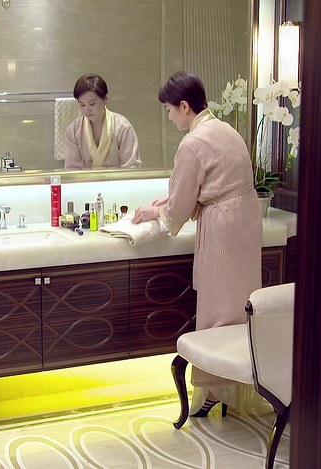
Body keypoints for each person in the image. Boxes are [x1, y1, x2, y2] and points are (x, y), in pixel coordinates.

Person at [131, 71, 264, 417]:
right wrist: (169, 201)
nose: (169, 117)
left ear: (184, 106)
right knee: (240, 305)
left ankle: (213, 389)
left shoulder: (193, 142)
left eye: (168, 110)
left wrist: (157, 212)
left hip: (223, 227)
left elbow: (180, 207)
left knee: (217, 308)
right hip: (246, 222)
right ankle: (234, 386)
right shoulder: (224, 130)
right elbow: (211, 183)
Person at [63, 74, 141, 170]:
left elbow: (131, 167)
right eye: (82, 105)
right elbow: (72, 170)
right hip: (85, 180)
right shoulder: (73, 130)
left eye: (92, 104)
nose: (87, 110)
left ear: (105, 99)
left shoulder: (123, 128)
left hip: (117, 179)